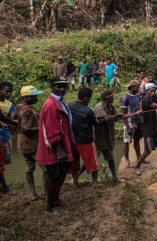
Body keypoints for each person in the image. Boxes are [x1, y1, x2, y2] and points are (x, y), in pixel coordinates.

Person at [36, 77, 75, 215]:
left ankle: (56, 199)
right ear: (52, 87)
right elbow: (52, 130)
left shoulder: (59, 102)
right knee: (53, 177)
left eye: (64, 86)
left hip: (63, 145)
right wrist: (59, 150)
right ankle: (49, 207)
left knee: (61, 174)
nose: (62, 89)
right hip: (53, 149)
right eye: (59, 86)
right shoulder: (51, 105)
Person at [68, 88, 101, 187]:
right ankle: (94, 182)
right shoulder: (88, 111)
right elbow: (95, 123)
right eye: (90, 98)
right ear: (86, 98)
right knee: (92, 161)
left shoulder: (69, 105)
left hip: (73, 138)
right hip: (86, 139)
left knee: (74, 161)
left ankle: (75, 182)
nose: (90, 99)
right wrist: (102, 119)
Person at [16, 85, 44, 200]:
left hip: (23, 144)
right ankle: (45, 191)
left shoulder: (22, 108)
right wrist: (42, 128)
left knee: (29, 167)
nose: (36, 98)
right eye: (34, 96)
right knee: (45, 167)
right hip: (31, 144)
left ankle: (33, 193)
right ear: (26, 97)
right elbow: (25, 129)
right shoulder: (27, 111)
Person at [93, 90, 124, 183]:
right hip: (99, 138)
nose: (113, 98)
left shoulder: (110, 106)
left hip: (108, 137)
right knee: (93, 159)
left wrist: (122, 116)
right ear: (106, 99)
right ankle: (80, 178)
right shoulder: (99, 107)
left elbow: (116, 116)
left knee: (111, 158)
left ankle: (115, 177)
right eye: (112, 97)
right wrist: (118, 115)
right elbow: (107, 118)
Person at [120, 80, 143, 167]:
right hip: (129, 123)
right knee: (126, 142)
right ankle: (126, 159)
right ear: (132, 87)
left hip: (138, 121)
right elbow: (123, 114)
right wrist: (127, 127)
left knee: (137, 140)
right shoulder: (125, 97)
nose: (139, 88)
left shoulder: (137, 95)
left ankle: (139, 157)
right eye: (137, 87)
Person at [0, 81, 16, 178]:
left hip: (5, 135)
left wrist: (14, 122)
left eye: (10, 92)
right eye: (6, 91)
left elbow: (12, 118)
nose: (8, 93)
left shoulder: (10, 105)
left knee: (4, 161)